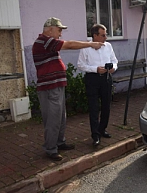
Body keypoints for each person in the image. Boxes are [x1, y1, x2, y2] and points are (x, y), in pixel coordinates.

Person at [32, 17, 105, 161]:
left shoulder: (48, 43)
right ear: (50, 29)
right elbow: (70, 45)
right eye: (59, 30)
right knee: (53, 119)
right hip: (49, 87)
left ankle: (59, 142)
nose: (60, 34)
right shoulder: (44, 41)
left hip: (56, 86)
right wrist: (91, 44)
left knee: (60, 117)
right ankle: (51, 149)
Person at [77, 24, 118, 146]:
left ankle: (102, 129)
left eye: (106, 34)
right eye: (103, 35)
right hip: (93, 79)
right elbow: (80, 65)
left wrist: (113, 68)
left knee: (106, 105)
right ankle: (95, 135)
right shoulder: (86, 47)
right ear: (95, 35)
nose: (106, 37)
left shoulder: (108, 46)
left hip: (106, 78)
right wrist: (95, 69)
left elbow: (115, 61)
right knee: (94, 107)